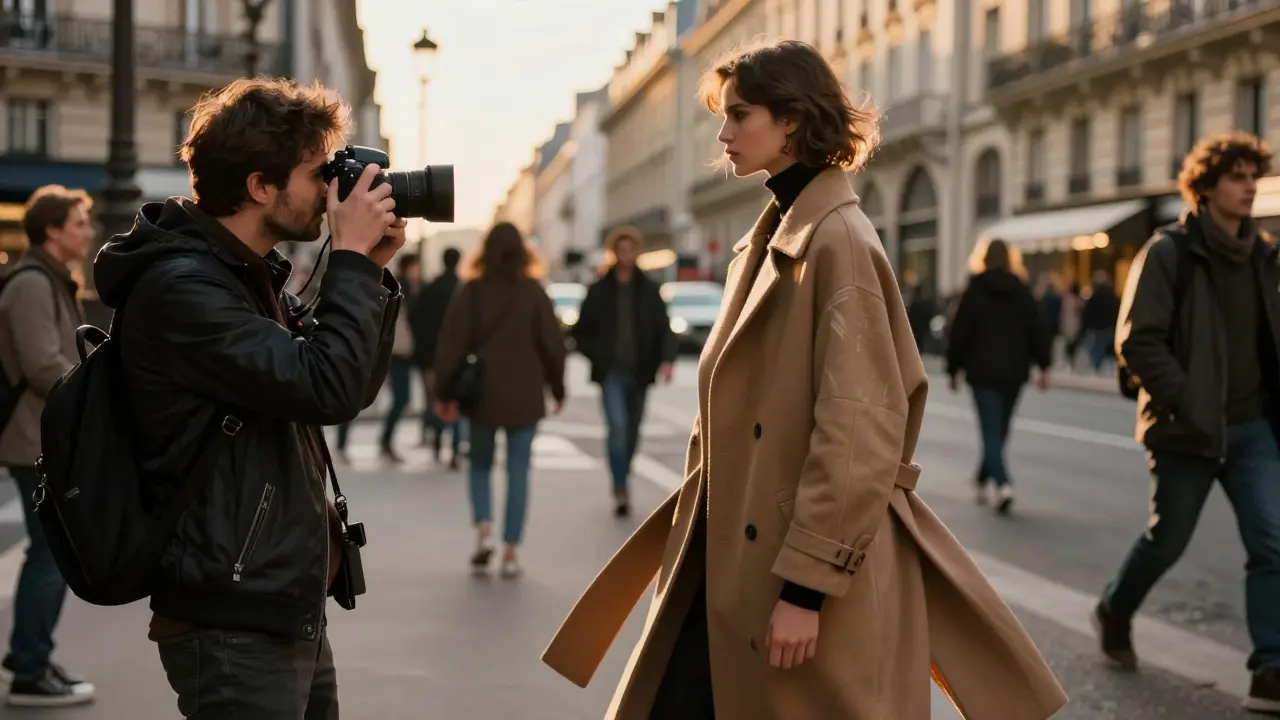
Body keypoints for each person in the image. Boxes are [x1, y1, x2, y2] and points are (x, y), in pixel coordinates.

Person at [541, 39, 1066, 720]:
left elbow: (858, 431)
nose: (723, 134)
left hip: (786, 575)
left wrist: (807, 592)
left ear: (790, 119)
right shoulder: (771, 240)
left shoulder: (836, 243)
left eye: (739, 115)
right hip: (729, 561)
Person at [92, 77, 405, 718]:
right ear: (261, 186)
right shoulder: (184, 290)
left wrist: (367, 270)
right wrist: (346, 262)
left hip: (279, 598)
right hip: (232, 615)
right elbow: (327, 386)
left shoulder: (246, 277)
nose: (333, 192)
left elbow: (346, 387)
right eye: (320, 173)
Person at [1103, 130, 1280, 713]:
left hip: (1254, 427)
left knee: (1271, 542)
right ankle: (1115, 609)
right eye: (1237, 175)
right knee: (1166, 541)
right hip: (1188, 428)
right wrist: (1187, 401)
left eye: (1254, 175)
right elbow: (1138, 340)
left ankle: (1269, 670)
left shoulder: (1265, 256)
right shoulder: (1169, 252)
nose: (1250, 185)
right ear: (1206, 187)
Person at [0, 185, 96, 707]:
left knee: (50, 552)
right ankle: (29, 669)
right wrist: (96, 397)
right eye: (79, 222)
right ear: (53, 230)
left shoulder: (51, 279)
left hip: (43, 434)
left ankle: (29, 657)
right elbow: (44, 367)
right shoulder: (32, 285)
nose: (87, 230)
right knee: (50, 555)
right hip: (32, 438)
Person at [433, 223, 566, 578]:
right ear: (523, 251)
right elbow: (553, 345)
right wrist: (558, 387)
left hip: (483, 394)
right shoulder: (534, 293)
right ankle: (510, 550)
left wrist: (443, 392)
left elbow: (452, 344)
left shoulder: (472, 291)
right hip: (525, 393)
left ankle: (484, 531)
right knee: (519, 468)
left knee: (479, 464)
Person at [571, 226, 676, 517]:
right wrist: (598, 358)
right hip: (611, 373)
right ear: (614, 252)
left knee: (632, 431)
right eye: (622, 249)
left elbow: (664, 329)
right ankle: (620, 486)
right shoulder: (600, 289)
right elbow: (581, 331)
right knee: (616, 429)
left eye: (631, 249)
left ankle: (623, 474)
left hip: (640, 372)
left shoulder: (649, 289)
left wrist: (666, 360)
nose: (627, 255)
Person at [945, 238, 1051, 513]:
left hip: (982, 372)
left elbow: (960, 332)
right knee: (999, 431)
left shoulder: (975, 289)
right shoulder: (1021, 290)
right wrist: (1044, 365)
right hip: (1014, 372)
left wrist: (953, 368)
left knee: (993, 433)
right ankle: (993, 480)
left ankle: (997, 482)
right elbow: (1036, 329)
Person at [412, 246, 466, 468]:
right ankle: (454, 450)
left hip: (430, 355)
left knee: (433, 399)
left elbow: (415, 317)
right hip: (456, 357)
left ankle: (435, 441)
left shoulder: (431, 287)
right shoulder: (462, 289)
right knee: (456, 401)